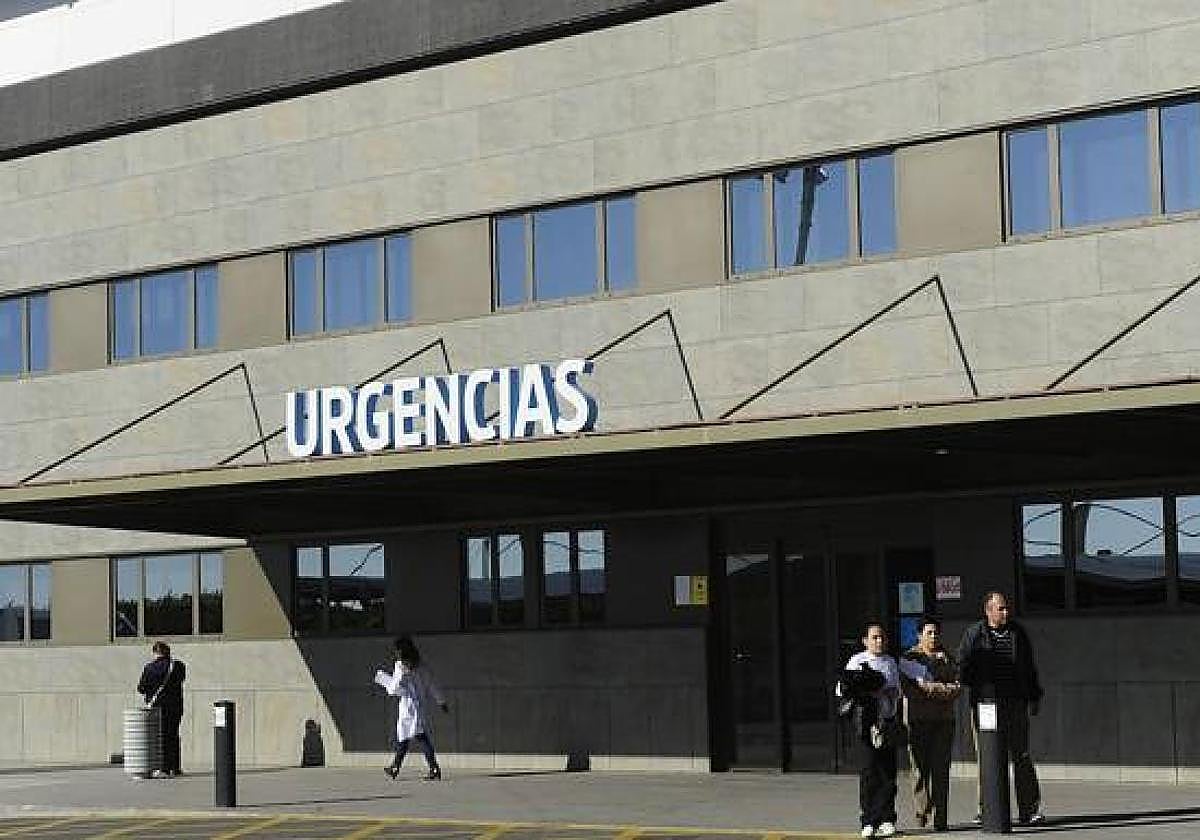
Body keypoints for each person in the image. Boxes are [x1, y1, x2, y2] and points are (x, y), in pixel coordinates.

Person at [957, 592, 1044, 826]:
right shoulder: (975, 634)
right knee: (988, 757)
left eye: (1007, 608)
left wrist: (1034, 696)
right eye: (1001, 609)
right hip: (986, 705)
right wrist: (978, 683)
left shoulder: (1018, 633)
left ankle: (1029, 809)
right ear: (988, 610)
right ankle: (986, 808)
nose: (1006, 613)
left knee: (1022, 756)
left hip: (1015, 703)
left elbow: (1029, 667)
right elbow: (962, 666)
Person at [841, 623, 931, 839]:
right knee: (868, 772)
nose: (879, 641)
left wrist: (892, 691)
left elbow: (913, 677)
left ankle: (887, 818)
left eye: (882, 637)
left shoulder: (891, 662)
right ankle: (868, 820)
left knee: (887, 773)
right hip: (866, 724)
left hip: (887, 722)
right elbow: (841, 688)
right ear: (865, 641)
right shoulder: (857, 661)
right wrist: (863, 690)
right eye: (874, 638)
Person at [901, 618, 961, 832]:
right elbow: (910, 691)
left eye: (936, 633)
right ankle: (922, 809)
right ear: (919, 635)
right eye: (929, 633)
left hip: (944, 722)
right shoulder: (910, 658)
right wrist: (937, 689)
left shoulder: (947, 658)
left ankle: (941, 818)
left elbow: (956, 688)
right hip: (918, 722)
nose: (933, 637)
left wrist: (930, 688)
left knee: (941, 771)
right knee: (919, 770)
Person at [375, 636, 449, 781]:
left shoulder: (400, 666)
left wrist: (385, 681)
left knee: (407, 736)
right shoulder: (422, 666)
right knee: (417, 736)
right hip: (420, 706)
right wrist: (441, 701)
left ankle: (399, 767)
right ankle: (402, 766)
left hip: (407, 706)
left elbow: (394, 688)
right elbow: (432, 685)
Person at [137, 640, 186, 778]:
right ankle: (175, 767)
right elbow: (181, 680)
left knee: (160, 736)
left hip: (157, 707)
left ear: (155, 653)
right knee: (174, 734)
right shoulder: (179, 666)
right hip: (176, 705)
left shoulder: (149, 668)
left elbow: (141, 688)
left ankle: (163, 768)